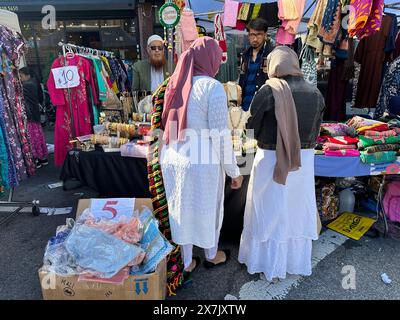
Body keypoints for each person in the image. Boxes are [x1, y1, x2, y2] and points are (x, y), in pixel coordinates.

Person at [238, 46, 325, 281]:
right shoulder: (315, 93)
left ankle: (266, 262)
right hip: (303, 162)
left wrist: (249, 143)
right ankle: (290, 262)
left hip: (270, 160)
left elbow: (250, 126)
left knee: (268, 210)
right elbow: (317, 130)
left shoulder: (269, 90)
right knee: (295, 211)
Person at [160, 37, 244, 275]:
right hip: (201, 160)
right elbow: (220, 136)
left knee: (181, 210)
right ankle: (211, 255)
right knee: (209, 209)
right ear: (212, 59)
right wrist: (234, 172)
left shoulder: (175, 83)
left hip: (174, 156)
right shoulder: (212, 86)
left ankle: (186, 263)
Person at [238, 18, 275, 112]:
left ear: (265, 35)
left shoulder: (272, 53)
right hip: (245, 107)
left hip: (264, 108)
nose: (255, 38)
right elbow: (242, 80)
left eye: (258, 34)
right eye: (252, 35)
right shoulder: (245, 54)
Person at [19, 67, 48, 169]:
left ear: (28, 76)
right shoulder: (35, 83)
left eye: (21, 76)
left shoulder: (27, 85)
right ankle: (42, 158)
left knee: (32, 138)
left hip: (30, 115)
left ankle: (36, 159)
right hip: (35, 114)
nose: (20, 78)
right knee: (38, 136)